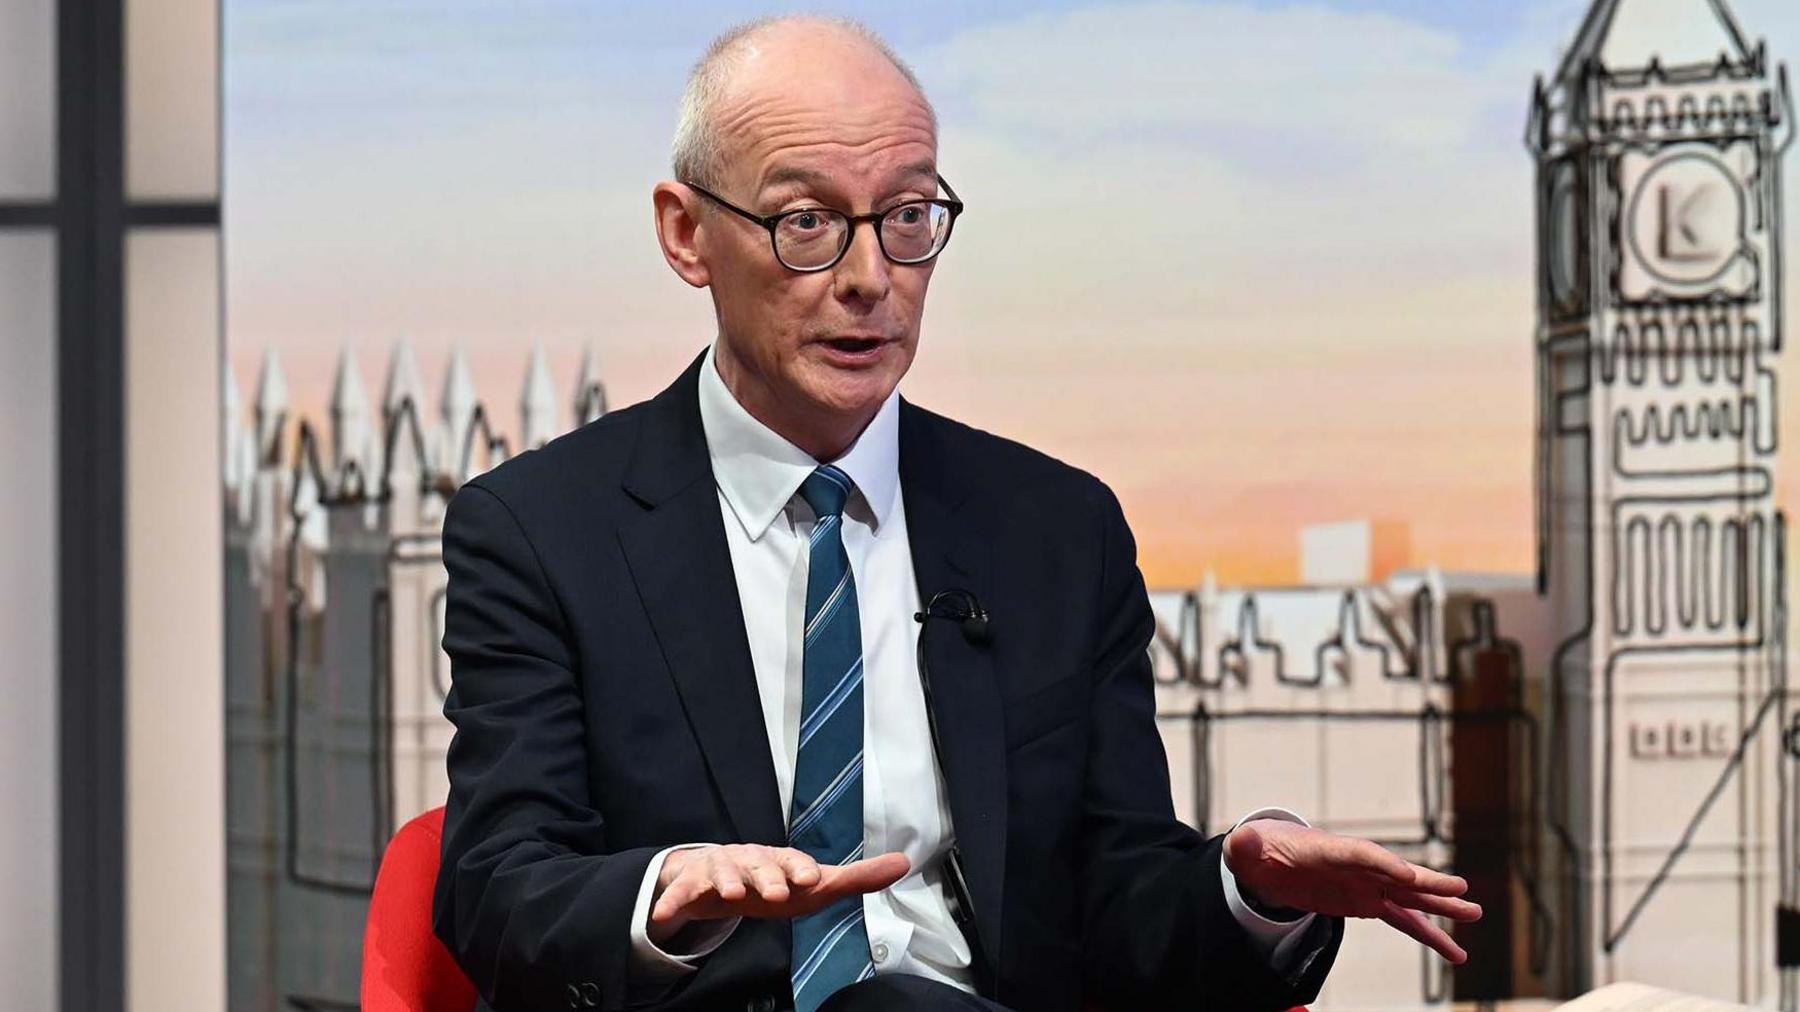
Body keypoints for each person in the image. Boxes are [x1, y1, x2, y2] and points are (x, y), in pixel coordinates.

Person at [431, 15, 1480, 1012]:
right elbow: (496, 884)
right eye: (807, 224)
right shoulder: (539, 533)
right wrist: (663, 893)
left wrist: (1246, 889)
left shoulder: (1057, 532)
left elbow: (1116, 908)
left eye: (907, 219)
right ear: (686, 234)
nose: (870, 279)